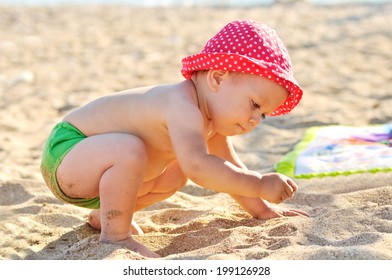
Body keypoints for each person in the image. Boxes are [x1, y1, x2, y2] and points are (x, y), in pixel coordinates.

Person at [40, 20, 308, 258]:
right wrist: (259, 183)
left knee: (175, 174)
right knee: (132, 150)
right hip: (68, 150)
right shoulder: (181, 106)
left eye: (264, 115)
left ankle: (106, 215)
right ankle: (116, 236)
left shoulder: (211, 122)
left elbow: (229, 168)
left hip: (97, 174)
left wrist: (262, 210)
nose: (255, 120)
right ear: (217, 78)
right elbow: (200, 168)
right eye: (254, 104)